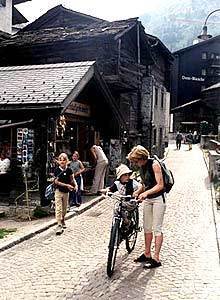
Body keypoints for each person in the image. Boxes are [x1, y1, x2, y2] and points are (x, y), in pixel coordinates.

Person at [127, 145, 166, 269]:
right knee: (147, 227)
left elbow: (160, 185)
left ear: (142, 158)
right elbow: (145, 184)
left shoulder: (154, 164)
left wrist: (146, 193)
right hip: (148, 199)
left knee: (157, 228)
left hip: (159, 199)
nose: (135, 163)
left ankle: (156, 258)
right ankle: (147, 253)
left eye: (136, 161)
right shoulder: (142, 167)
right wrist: (138, 192)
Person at [54, 153, 78, 235]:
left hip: (66, 192)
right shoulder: (57, 170)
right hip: (58, 191)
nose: (62, 161)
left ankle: (63, 219)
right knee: (58, 209)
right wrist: (66, 185)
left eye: (64, 160)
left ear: (66, 161)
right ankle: (59, 225)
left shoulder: (69, 170)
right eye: (60, 160)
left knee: (64, 210)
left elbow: (72, 179)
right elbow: (56, 181)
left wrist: (75, 185)